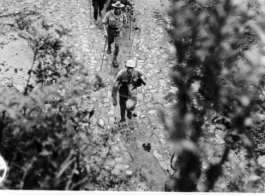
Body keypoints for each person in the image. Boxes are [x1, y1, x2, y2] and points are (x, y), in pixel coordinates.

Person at [102, 1, 127, 67]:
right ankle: (109, 47)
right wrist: (105, 31)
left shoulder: (123, 14)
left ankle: (114, 59)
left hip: (118, 32)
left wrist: (121, 28)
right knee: (109, 41)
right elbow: (104, 23)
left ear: (120, 8)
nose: (117, 10)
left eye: (119, 8)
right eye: (116, 8)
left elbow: (125, 23)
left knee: (117, 46)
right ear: (114, 8)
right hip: (110, 30)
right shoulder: (109, 13)